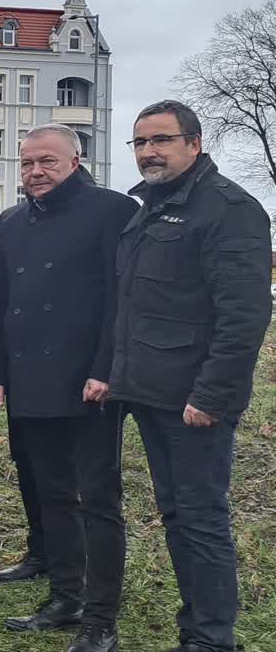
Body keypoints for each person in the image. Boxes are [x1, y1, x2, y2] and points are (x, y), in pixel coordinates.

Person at [110, 100, 270, 652]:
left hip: (193, 401)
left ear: (194, 144)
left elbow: (244, 315)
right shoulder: (151, 207)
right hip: (151, 392)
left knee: (201, 519)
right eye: (140, 142)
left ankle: (211, 638)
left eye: (162, 140)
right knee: (177, 514)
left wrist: (211, 396)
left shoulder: (228, 209)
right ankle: (197, 627)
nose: (149, 152)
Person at [0, 125, 137, 652]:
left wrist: (106, 368)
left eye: (46, 161)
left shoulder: (112, 210)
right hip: (31, 377)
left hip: (90, 379)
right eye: (27, 163)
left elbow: (119, 299)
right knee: (51, 493)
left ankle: (101, 619)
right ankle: (65, 597)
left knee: (98, 499)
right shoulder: (12, 222)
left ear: (75, 160)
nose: (35, 172)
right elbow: (1, 302)